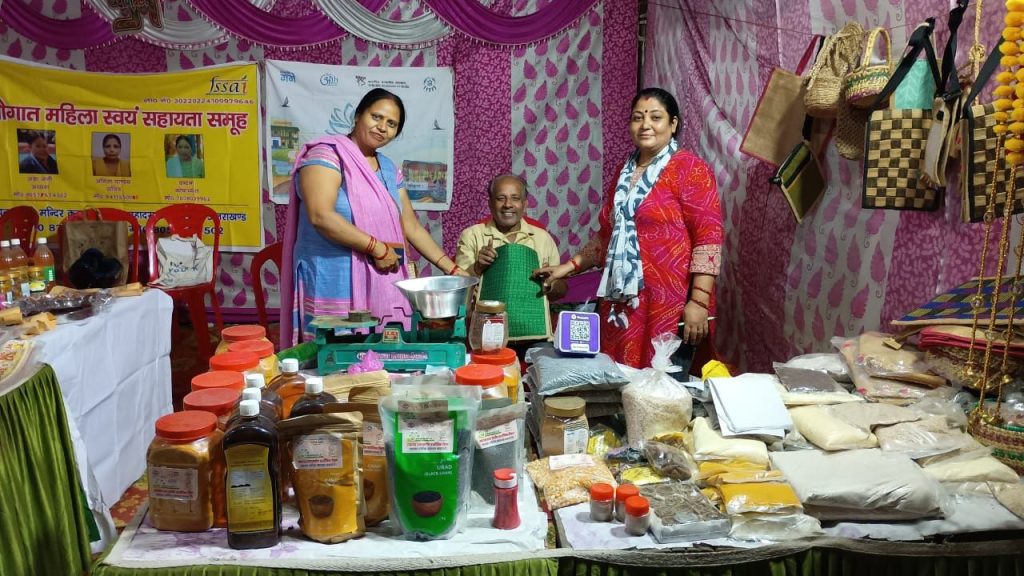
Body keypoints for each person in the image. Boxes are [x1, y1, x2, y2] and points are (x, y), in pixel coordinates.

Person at [534, 88, 723, 368]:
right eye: (638, 118)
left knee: (662, 382)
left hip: (670, 302)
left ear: (673, 124)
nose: (645, 125)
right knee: (620, 377)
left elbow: (708, 239)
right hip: (622, 300)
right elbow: (606, 236)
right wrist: (566, 268)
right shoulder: (623, 173)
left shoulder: (691, 169)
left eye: (655, 117)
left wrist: (698, 301)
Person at [280, 88, 468, 344]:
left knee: (381, 356)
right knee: (334, 359)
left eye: (391, 124)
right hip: (333, 281)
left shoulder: (389, 169)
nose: (382, 127)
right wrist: (376, 248)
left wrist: (453, 269)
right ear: (358, 115)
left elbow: (411, 226)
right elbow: (321, 216)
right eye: (376, 117)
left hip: (381, 282)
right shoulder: (327, 155)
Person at [456, 173, 566, 300]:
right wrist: (477, 268)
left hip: (532, 312)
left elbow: (561, 290)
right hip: (485, 312)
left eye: (515, 198)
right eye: (500, 198)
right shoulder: (471, 236)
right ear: (490, 204)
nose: (508, 204)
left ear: (525, 205)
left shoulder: (543, 238)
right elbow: (458, 290)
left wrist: (549, 282)